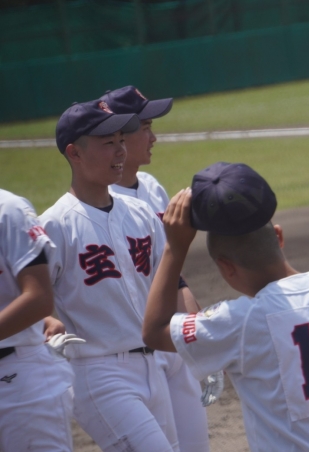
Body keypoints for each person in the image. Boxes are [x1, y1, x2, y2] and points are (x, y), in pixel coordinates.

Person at [142, 162, 309, 451]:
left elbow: (154, 331)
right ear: (278, 236)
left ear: (226, 267)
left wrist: (174, 248)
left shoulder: (238, 321)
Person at [40, 99, 179, 451]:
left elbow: (168, 284)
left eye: (121, 140)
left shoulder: (141, 213)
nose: (120, 150)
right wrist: (45, 321)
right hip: (99, 374)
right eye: (107, 143)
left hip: (154, 365)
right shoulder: (55, 225)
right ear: (74, 153)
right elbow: (21, 292)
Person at [101, 85, 216, 452]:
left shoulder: (151, 188)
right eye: (146, 127)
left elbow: (170, 267)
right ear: (118, 136)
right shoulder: (102, 202)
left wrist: (196, 328)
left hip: (169, 338)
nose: (154, 138)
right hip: (131, 349)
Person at [0, 188, 76, 451]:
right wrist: (43, 321)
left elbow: (39, 297)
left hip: (17, 383)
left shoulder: (8, 210)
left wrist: (37, 319)